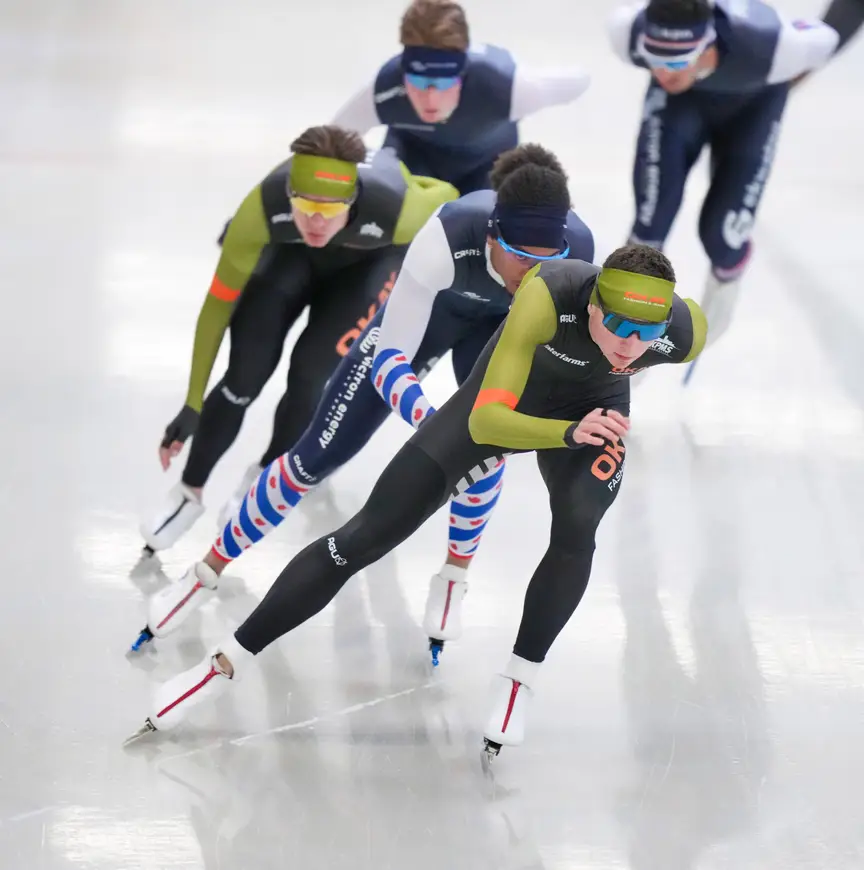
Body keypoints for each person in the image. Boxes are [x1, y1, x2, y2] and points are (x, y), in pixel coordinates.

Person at [125, 244, 708, 760]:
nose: (631, 346)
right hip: (499, 407)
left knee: (579, 525)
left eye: (646, 333)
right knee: (361, 539)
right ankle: (222, 665)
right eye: (619, 326)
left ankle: (519, 677)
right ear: (594, 306)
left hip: (594, 410)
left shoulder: (679, 333)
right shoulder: (547, 297)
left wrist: (584, 425)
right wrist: (567, 432)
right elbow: (486, 420)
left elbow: (683, 330)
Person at [132, 144, 596, 667]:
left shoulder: (581, 251)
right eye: (521, 257)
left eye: (548, 261)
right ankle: (207, 570)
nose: (534, 273)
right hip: (433, 316)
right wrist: (432, 421)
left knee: (487, 449)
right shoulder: (446, 237)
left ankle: (454, 575)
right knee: (311, 458)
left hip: (498, 331)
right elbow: (388, 359)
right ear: (492, 236)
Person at [140, 125, 459, 555]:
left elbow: (451, 195)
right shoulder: (260, 209)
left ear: (354, 199)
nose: (316, 221)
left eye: (331, 209)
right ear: (288, 194)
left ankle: (263, 482)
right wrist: (192, 402)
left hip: (368, 265)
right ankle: (188, 490)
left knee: (311, 374)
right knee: (243, 376)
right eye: (305, 206)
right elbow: (216, 309)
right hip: (289, 256)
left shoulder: (400, 210)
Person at [607, 0, 837, 368]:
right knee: (649, 226)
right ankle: (623, 337)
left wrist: (783, 67)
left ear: (707, 44)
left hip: (754, 108)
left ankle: (724, 290)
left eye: (677, 62)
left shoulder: (775, 46)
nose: (664, 73)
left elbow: (826, 37)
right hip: (679, 109)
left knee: (723, 236)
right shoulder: (628, 32)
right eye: (654, 59)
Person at [331, 0, 591, 194]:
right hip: (414, 158)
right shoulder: (385, 88)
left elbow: (580, 80)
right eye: (417, 82)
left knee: (485, 224)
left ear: (463, 75)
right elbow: (331, 143)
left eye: (444, 83)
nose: (430, 99)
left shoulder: (506, 87)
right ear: (403, 72)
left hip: (487, 167)